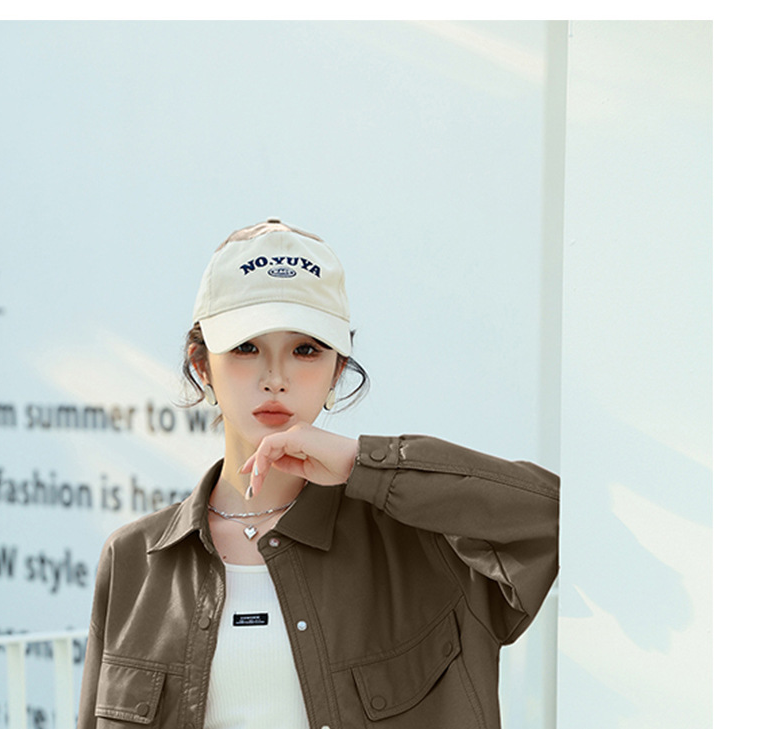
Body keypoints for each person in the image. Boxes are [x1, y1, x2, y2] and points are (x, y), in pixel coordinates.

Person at [77, 219, 559, 728]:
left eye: (305, 350)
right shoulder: (133, 561)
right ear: (202, 366)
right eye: (246, 347)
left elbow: (554, 516)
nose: (275, 378)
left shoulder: (424, 544)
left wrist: (360, 462)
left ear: (337, 371)